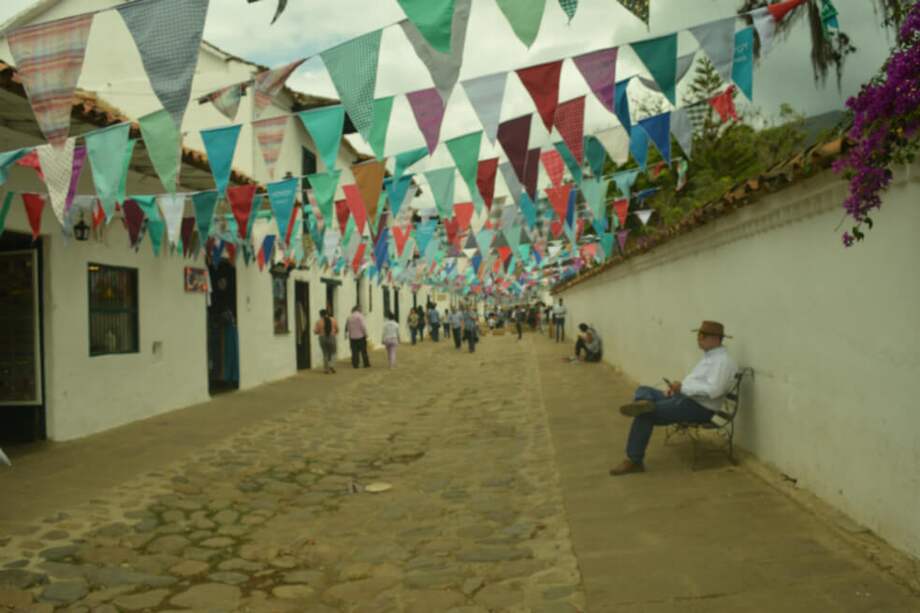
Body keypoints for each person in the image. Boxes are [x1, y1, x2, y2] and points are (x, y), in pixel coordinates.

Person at [610, 321, 738, 476]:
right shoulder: (709, 358)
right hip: (686, 398)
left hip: (700, 408)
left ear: (716, 339)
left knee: (644, 414)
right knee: (643, 389)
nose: (698, 338)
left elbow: (715, 391)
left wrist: (683, 388)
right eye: (699, 335)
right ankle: (646, 402)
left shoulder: (723, 362)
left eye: (702, 335)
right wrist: (677, 388)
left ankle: (634, 460)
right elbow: (697, 383)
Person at [313, 308, 338, 374]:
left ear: (320, 315)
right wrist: (334, 333)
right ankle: (332, 365)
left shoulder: (318, 322)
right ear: (327, 313)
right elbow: (337, 329)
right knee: (333, 352)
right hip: (332, 337)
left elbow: (315, 331)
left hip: (322, 338)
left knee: (325, 353)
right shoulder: (333, 320)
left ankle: (326, 369)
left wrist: (320, 332)